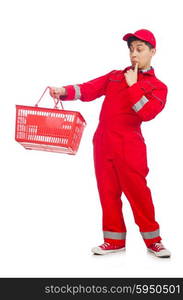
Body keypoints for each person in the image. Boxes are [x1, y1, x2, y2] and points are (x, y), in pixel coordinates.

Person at [49, 29, 171, 258]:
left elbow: (147, 113)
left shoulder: (158, 87)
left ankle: (154, 241)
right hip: (103, 144)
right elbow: (89, 88)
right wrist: (63, 91)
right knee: (107, 193)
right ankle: (114, 241)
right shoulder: (115, 76)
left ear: (153, 52)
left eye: (140, 49)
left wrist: (134, 85)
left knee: (138, 194)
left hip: (130, 146)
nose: (134, 54)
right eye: (131, 49)